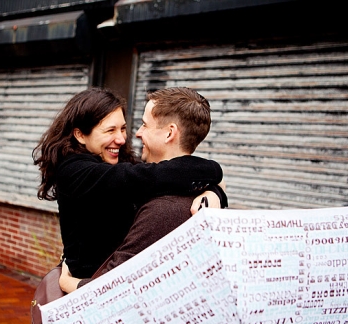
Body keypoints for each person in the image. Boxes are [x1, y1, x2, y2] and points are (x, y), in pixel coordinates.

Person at [32, 88, 225, 280]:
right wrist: (216, 177)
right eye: (110, 130)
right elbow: (154, 177)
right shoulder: (75, 171)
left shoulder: (117, 162)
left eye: (123, 128)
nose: (122, 139)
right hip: (88, 294)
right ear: (80, 135)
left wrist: (214, 192)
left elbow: (165, 177)